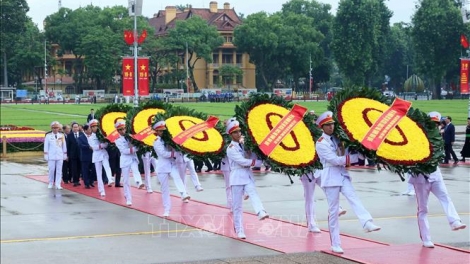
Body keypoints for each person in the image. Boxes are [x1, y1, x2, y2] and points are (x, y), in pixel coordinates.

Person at [315, 111, 380, 254]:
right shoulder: (321, 143)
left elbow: (347, 151)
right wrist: (356, 158)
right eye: (327, 125)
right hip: (331, 175)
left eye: (332, 124)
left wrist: (362, 151)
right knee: (333, 211)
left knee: (353, 197)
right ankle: (335, 243)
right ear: (322, 127)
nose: (331, 127)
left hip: (342, 174)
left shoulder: (338, 139)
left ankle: (366, 222)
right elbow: (335, 160)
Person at [409, 111, 466, 248]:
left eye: (436, 123)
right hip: (420, 178)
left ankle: (454, 221)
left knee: (445, 197)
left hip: (435, 175)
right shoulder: (417, 136)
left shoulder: (438, 137)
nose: (434, 126)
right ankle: (426, 238)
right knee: (423, 209)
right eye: (432, 123)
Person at [226, 119, 268, 239]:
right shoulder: (230, 148)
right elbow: (242, 161)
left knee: (253, 192)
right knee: (237, 206)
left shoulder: (244, 144)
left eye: (239, 131)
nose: (238, 134)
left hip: (247, 175)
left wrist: (253, 150)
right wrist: (256, 162)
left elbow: (251, 155)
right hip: (237, 177)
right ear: (230, 134)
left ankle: (260, 211)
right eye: (235, 132)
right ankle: (239, 230)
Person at [153, 121, 190, 217]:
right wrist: (174, 154)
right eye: (160, 131)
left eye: (163, 131)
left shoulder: (169, 140)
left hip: (171, 164)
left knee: (177, 177)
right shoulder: (156, 142)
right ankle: (167, 209)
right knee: (165, 189)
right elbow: (163, 154)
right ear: (156, 131)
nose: (162, 132)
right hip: (162, 167)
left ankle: (183, 194)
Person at [114, 121, 144, 206]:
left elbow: (136, 143)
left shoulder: (130, 136)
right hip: (125, 160)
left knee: (135, 170)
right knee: (126, 181)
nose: (123, 131)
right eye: (120, 129)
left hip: (133, 158)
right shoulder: (118, 140)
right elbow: (124, 151)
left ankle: (139, 182)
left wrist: (138, 143)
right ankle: (128, 198)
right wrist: (135, 148)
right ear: (118, 131)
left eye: (123, 129)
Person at [88, 119, 114, 196]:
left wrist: (101, 145)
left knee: (107, 166)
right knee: (99, 173)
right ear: (91, 128)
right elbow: (93, 147)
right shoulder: (90, 137)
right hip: (96, 155)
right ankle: (101, 190)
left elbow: (106, 144)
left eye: (96, 126)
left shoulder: (102, 135)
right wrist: (100, 145)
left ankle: (110, 179)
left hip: (103, 153)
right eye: (93, 127)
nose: (95, 128)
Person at [44, 121, 67, 189]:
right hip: (51, 155)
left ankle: (58, 184)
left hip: (59, 155)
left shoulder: (61, 135)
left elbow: (64, 145)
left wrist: (65, 154)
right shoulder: (48, 136)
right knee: (51, 170)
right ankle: (51, 183)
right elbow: (46, 146)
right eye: (53, 128)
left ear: (58, 128)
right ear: (51, 128)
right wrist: (46, 154)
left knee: (59, 170)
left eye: (56, 128)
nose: (55, 129)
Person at [78, 124, 94, 189]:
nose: (90, 131)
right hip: (85, 156)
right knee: (85, 170)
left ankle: (91, 181)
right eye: (89, 129)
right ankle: (86, 183)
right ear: (85, 130)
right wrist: (88, 147)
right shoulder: (80, 137)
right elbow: (80, 146)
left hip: (93, 156)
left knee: (93, 170)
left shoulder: (93, 136)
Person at [66, 122, 83, 186]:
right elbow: (68, 146)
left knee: (79, 168)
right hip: (73, 154)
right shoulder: (69, 135)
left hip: (80, 154)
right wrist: (67, 155)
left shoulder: (81, 134)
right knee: (74, 168)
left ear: (78, 128)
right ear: (72, 128)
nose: (75, 128)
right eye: (74, 127)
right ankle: (75, 180)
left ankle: (78, 180)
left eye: (76, 127)